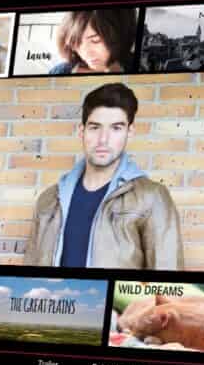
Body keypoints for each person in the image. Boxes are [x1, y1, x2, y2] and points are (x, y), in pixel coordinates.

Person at [22, 82, 183, 269]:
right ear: (82, 132)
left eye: (116, 128)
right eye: (95, 127)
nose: (103, 139)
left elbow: (167, 278)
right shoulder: (50, 198)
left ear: (129, 132)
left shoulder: (152, 196)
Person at [46, 9, 137, 75]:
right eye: (76, 43)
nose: (86, 53)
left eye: (95, 41)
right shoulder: (59, 72)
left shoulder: (140, 64)